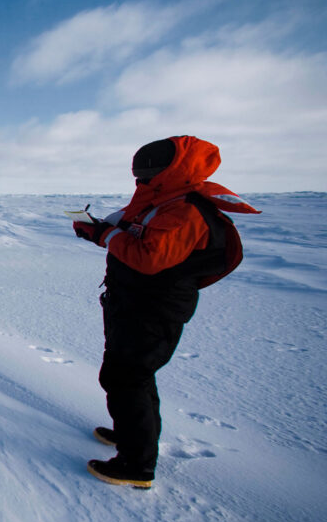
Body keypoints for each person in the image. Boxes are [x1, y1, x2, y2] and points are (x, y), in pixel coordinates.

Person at [72, 136, 259, 488]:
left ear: (170, 172)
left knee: (127, 377)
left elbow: (149, 258)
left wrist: (104, 237)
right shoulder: (160, 201)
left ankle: (135, 465)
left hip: (154, 308)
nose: (139, 181)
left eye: (147, 175)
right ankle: (130, 433)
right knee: (127, 374)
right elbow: (127, 229)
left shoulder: (185, 210)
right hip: (131, 302)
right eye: (138, 175)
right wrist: (98, 229)